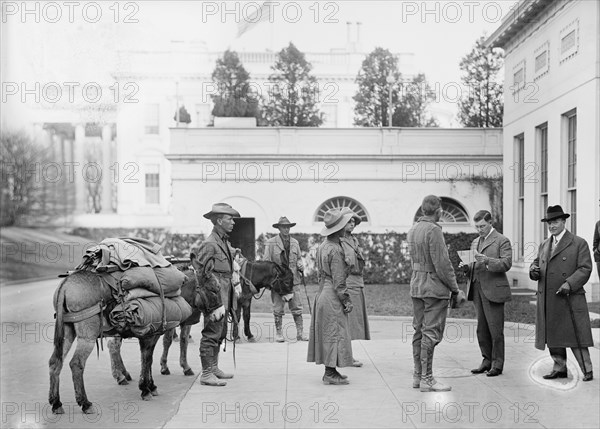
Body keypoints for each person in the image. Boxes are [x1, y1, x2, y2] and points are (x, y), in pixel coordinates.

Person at [529, 205, 594, 382]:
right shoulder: (544, 244)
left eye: (555, 222)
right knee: (554, 335)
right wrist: (533, 270)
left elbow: (585, 268)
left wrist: (569, 284)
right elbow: (536, 263)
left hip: (569, 297)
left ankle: (587, 369)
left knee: (576, 336)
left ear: (564, 222)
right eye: (549, 223)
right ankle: (559, 368)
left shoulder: (578, 243)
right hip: (549, 298)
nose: (552, 226)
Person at [407, 195, 463, 392]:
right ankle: (427, 379)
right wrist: (455, 289)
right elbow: (442, 264)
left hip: (417, 285)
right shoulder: (434, 230)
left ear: (423, 210)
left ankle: (417, 375)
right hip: (433, 288)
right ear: (438, 210)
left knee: (419, 331)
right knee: (430, 333)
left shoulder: (413, 229)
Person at [194, 203, 243, 387]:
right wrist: (212, 300)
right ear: (219, 220)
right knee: (211, 332)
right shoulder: (210, 244)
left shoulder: (222, 241)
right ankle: (206, 373)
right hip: (215, 295)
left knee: (221, 331)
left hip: (226, 290)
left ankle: (213, 368)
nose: (233, 222)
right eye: (230, 219)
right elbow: (201, 274)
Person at [459, 210, 512, 377]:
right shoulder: (475, 242)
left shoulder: (502, 240)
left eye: (482, 226)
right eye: (477, 226)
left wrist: (487, 260)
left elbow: (506, 263)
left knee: (495, 329)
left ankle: (497, 364)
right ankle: (486, 360)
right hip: (477, 289)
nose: (479, 229)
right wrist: (467, 268)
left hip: (494, 290)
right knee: (482, 329)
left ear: (490, 223)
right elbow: (474, 264)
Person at [307, 208, 355, 385]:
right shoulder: (335, 249)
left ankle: (332, 370)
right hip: (332, 295)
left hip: (323, 292)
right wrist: (346, 300)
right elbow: (339, 281)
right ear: (340, 229)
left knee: (328, 332)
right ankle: (329, 373)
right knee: (334, 333)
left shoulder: (323, 246)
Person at [263, 216, 308, 342]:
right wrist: (270, 279)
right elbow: (266, 262)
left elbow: (299, 258)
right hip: (278, 281)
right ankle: (279, 333)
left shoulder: (295, 242)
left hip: (294, 280)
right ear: (279, 228)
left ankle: (300, 333)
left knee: (297, 306)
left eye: (288, 227)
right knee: (278, 308)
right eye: (284, 227)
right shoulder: (271, 243)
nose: (286, 229)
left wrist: (300, 264)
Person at [339, 207, 370, 367]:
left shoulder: (354, 241)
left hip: (357, 284)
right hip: (347, 285)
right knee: (346, 323)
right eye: (349, 221)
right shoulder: (338, 241)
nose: (352, 224)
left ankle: (347, 356)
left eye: (353, 221)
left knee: (352, 324)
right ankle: (345, 357)